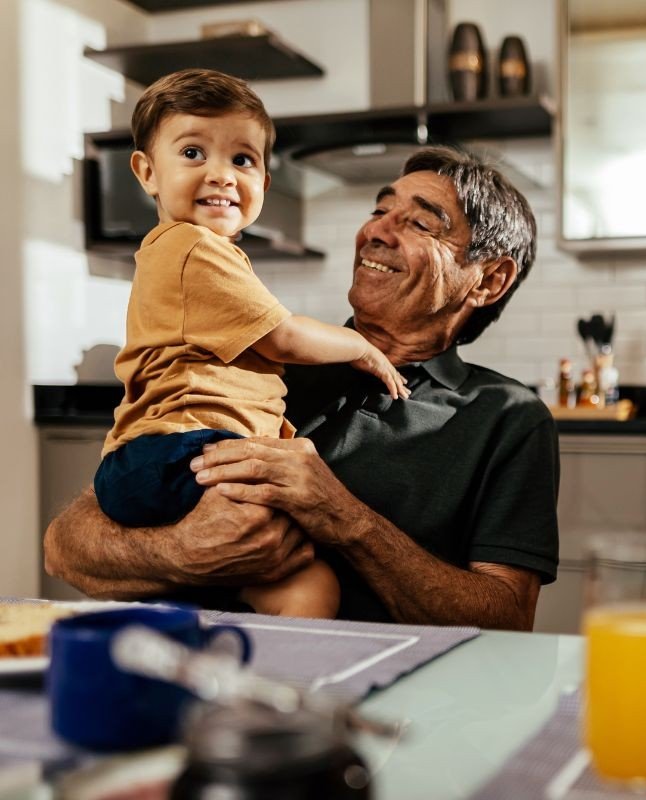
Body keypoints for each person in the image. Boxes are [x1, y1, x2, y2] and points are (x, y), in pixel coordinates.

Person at [44, 145, 558, 629]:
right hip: (189, 675)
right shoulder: (254, 363)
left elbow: (508, 617)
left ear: (489, 281)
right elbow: (66, 543)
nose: (377, 231)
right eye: (380, 210)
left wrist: (344, 517)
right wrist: (183, 550)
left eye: (421, 222)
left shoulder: (508, 417)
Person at [96, 69, 408, 619]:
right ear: (146, 172)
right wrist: (359, 347)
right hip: (179, 449)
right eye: (193, 152)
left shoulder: (187, 253)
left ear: (265, 178)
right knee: (292, 551)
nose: (221, 175)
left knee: (294, 583)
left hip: (156, 456)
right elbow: (285, 334)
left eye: (242, 160)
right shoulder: (193, 246)